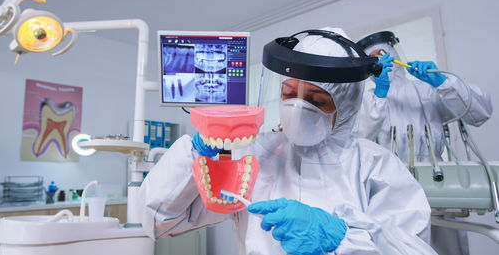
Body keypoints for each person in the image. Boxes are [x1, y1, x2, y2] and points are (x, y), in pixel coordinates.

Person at [139, 28, 437, 255]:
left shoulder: (377, 167)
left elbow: (413, 249)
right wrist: (195, 154)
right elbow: (162, 223)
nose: (296, 106)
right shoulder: (254, 156)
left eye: (315, 99)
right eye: (288, 93)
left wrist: (343, 239)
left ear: (344, 108)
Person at [355, 31, 493, 255]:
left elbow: (480, 112)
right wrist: (379, 97)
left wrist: (444, 82)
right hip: (390, 189)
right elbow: (358, 143)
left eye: (382, 54)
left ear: (393, 53)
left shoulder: (426, 90)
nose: (380, 61)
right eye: (373, 60)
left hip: (438, 184)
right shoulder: (367, 101)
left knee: (448, 248)